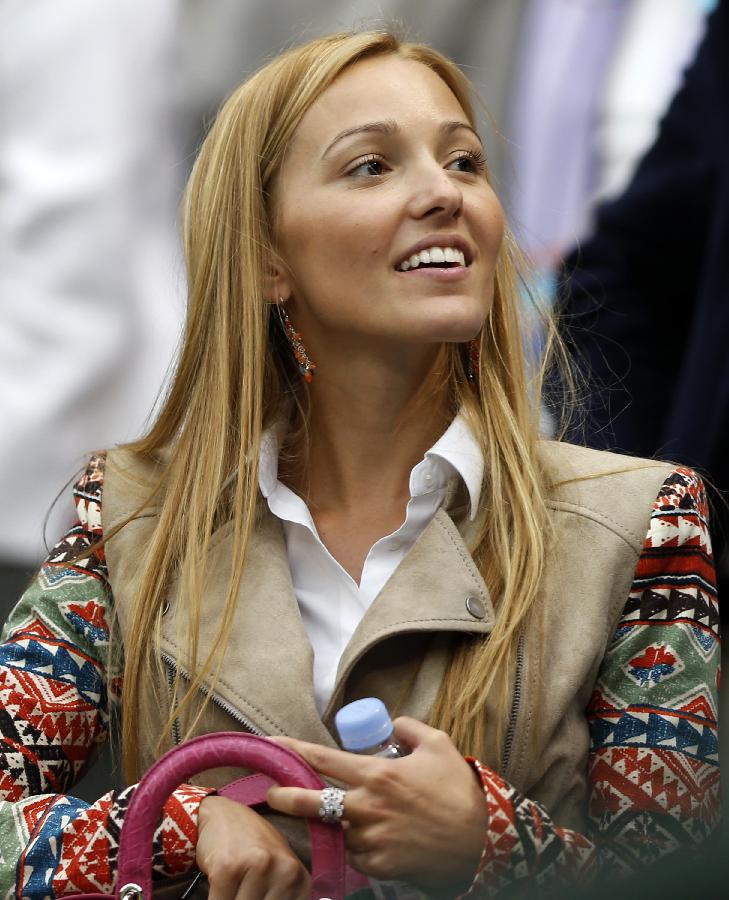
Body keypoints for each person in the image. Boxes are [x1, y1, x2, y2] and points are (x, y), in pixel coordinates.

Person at [0, 30, 720, 900]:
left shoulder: (645, 522)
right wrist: (182, 824)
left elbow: (679, 875)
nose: (442, 193)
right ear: (268, 257)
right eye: (371, 167)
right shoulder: (127, 513)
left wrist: (489, 843)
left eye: (464, 161)